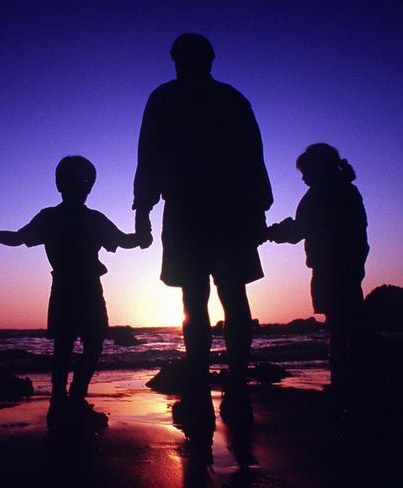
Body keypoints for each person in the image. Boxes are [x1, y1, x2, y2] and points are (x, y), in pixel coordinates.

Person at [133, 34, 273, 447]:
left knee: (198, 300)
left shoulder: (165, 98)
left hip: (192, 211)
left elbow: (148, 157)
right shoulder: (231, 99)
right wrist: (259, 205)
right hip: (225, 211)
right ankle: (234, 389)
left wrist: (143, 206)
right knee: (231, 297)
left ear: (179, 59)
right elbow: (253, 156)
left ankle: (202, 390)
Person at [0, 156, 142, 430]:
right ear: (66, 185)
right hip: (80, 288)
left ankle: (67, 400)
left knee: (78, 345)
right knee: (77, 345)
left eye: (82, 182)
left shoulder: (69, 218)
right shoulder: (66, 218)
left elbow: (19, 238)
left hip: (77, 288)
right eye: (77, 181)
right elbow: (19, 237)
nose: (81, 187)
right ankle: (66, 399)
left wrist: (140, 237)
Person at [267, 143, 369, 407]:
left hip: (330, 267)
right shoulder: (348, 191)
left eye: (305, 171)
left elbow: (299, 229)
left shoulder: (320, 196)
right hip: (349, 267)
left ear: (318, 168)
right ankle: (352, 380)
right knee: (348, 325)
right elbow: (359, 235)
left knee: (338, 326)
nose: (302, 177)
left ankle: (345, 384)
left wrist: (271, 233)